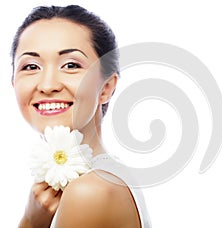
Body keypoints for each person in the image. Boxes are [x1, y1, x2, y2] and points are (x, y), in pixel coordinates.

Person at [11, 5, 151, 228]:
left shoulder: (89, 191)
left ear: (106, 87)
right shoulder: (100, 177)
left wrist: (30, 222)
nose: (48, 85)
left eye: (70, 65)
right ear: (13, 83)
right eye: (31, 66)